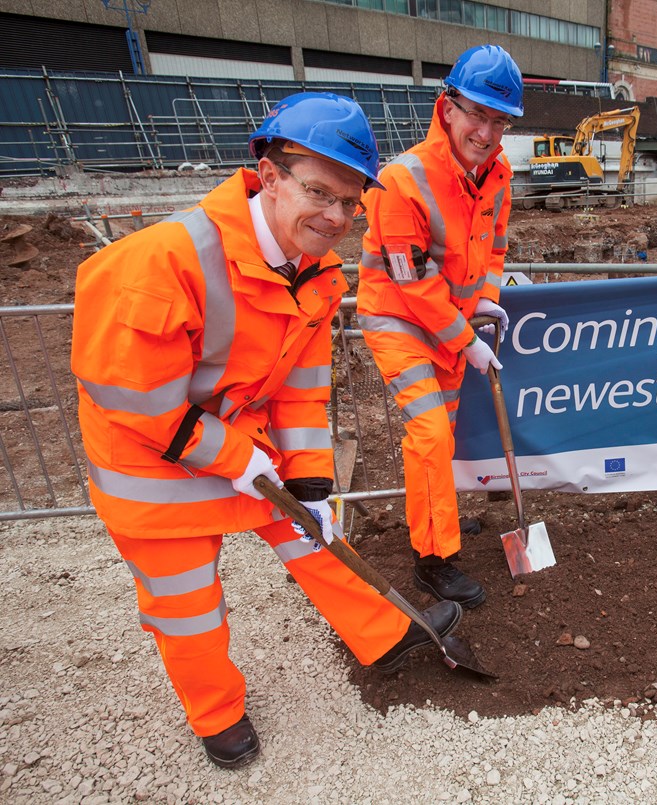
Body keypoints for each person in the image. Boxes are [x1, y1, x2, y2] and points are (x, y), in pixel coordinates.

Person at [71, 93, 463, 771]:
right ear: (269, 174)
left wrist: (309, 478)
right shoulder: (162, 260)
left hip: (237, 441)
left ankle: (385, 632)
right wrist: (232, 457)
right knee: (187, 608)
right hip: (151, 470)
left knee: (317, 531)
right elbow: (134, 400)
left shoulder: (315, 270)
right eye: (319, 191)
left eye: (349, 203)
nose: (335, 216)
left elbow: (302, 384)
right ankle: (217, 715)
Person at [356, 45, 523, 609]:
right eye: (478, 114)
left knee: (442, 437)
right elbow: (410, 280)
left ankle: (438, 520)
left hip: (452, 322)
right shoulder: (400, 181)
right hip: (399, 318)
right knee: (428, 435)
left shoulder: (498, 175)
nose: (487, 130)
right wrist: (466, 339)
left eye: (500, 120)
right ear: (446, 108)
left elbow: (495, 248)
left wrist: (488, 300)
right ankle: (433, 561)